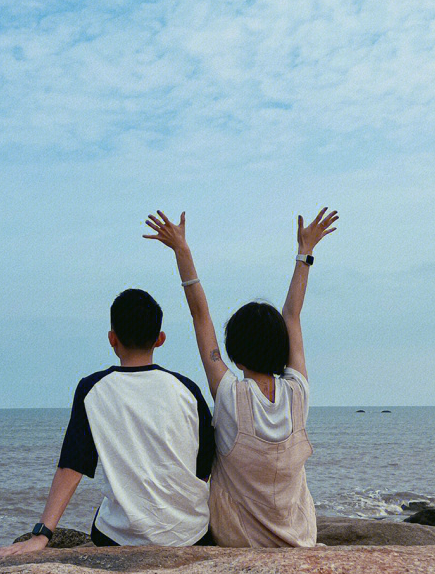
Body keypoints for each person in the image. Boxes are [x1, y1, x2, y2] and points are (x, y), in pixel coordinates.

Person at [144, 207, 338, 548]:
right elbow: (292, 315)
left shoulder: (230, 394)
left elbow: (199, 315)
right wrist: (305, 253)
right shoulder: (298, 392)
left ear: (233, 350)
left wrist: (182, 251)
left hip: (238, 542)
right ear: (282, 347)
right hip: (300, 539)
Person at [0, 288, 215, 556]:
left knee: (105, 518)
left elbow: (72, 466)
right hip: (190, 534)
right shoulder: (187, 389)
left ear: (112, 339)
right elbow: (205, 465)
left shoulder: (92, 389)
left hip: (121, 539)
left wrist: (42, 534)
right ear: (160, 339)